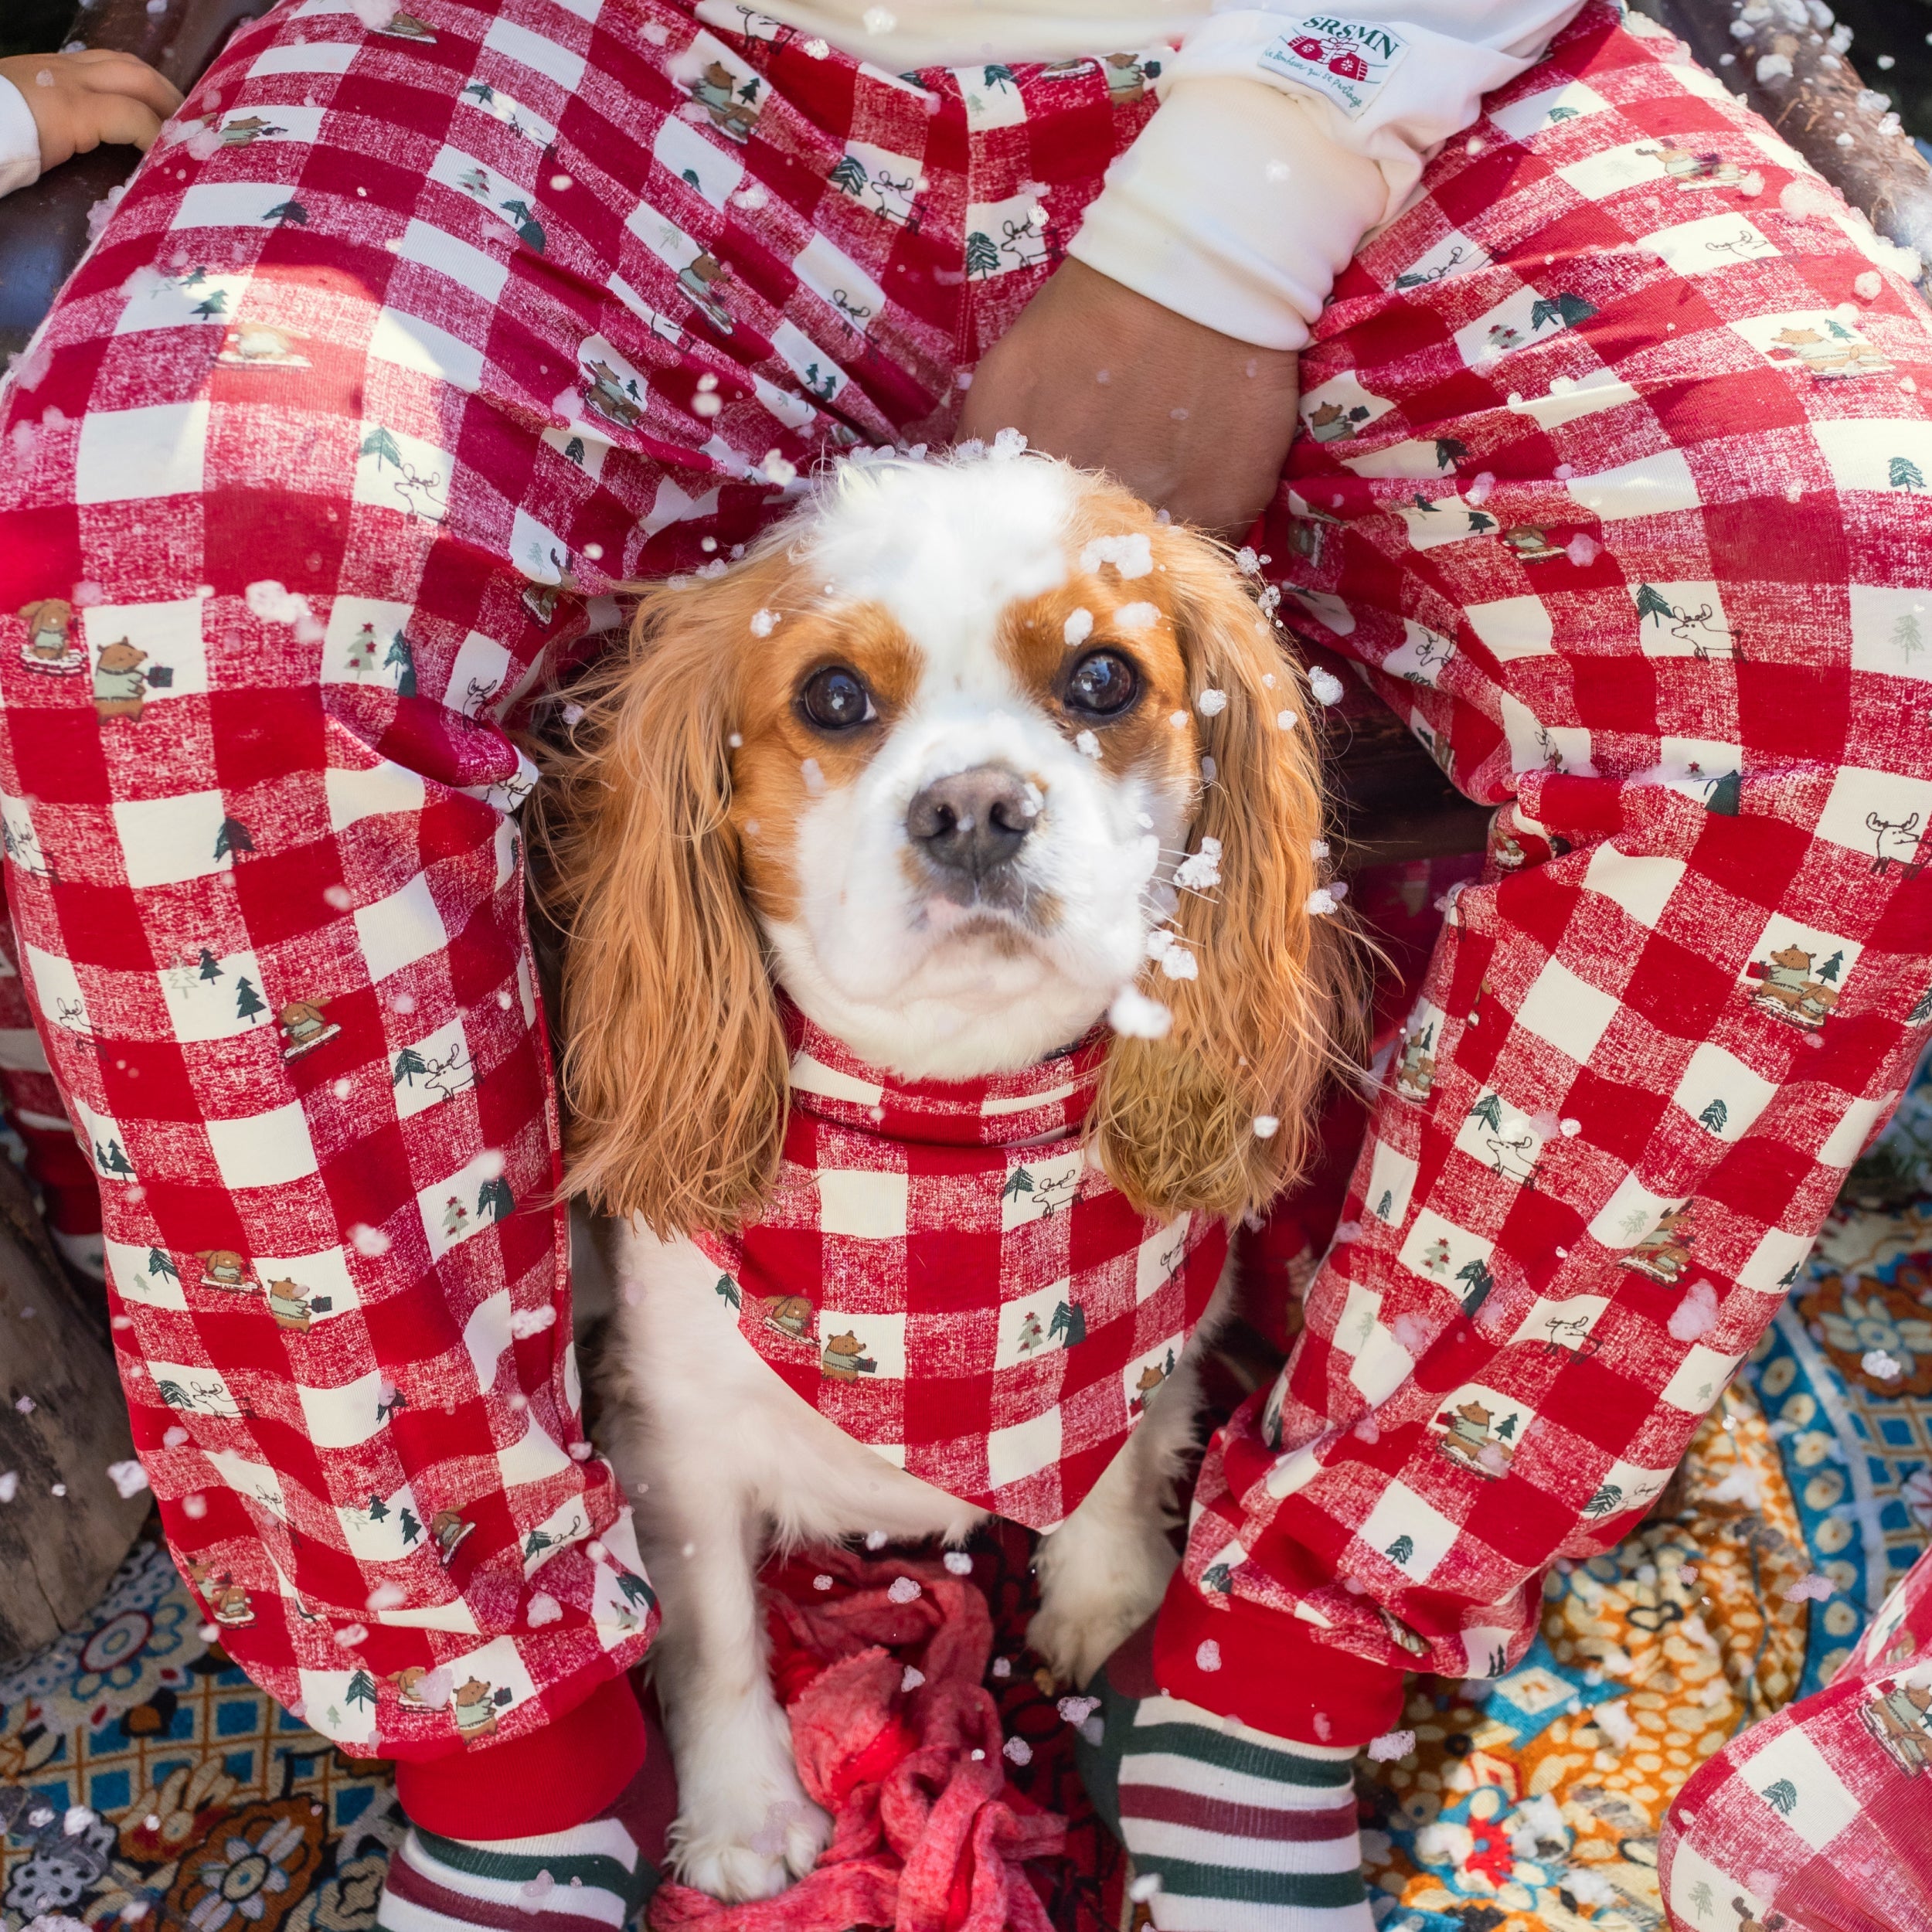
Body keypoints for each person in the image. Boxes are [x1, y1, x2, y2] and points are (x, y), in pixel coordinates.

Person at [0, 0, 1927, 1926]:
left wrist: (1240, 201)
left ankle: (1285, 1661)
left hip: (1338, 54)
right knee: (147, 565)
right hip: (579, 51)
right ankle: (504, 1724)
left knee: (1868, 609)